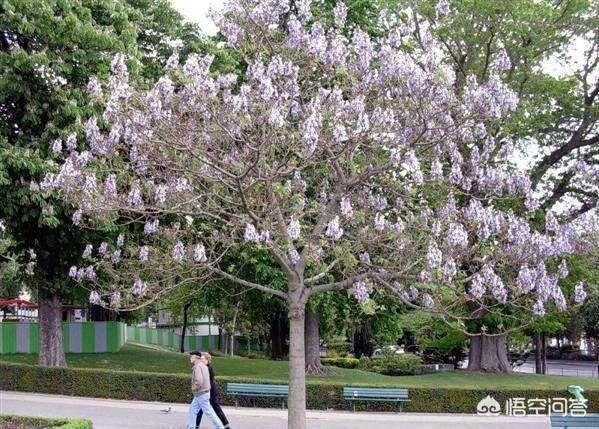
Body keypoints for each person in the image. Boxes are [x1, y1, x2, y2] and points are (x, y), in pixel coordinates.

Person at [188, 350, 224, 429]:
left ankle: (220, 427)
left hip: (201, 393)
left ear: (196, 357)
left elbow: (199, 381)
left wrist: (194, 389)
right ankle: (191, 427)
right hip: (203, 393)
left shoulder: (197, 366)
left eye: (191, 356)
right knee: (192, 410)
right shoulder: (203, 366)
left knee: (208, 412)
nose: (190, 358)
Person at [196, 352, 231, 429]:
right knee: (199, 409)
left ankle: (226, 425)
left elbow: (208, 381)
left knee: (216, 409)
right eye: (200, 359)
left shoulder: (208, 368)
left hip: (210, 392)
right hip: (206, 392)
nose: (200, 360)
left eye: (202, 359)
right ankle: (196, 425)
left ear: (207, 360)